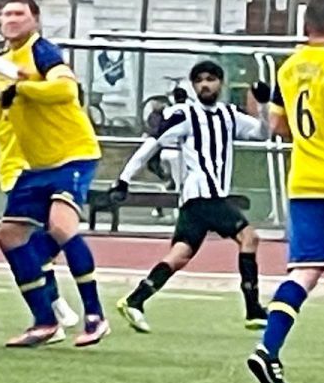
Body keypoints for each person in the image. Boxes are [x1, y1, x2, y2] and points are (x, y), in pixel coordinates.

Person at [0, 0, 107, 348]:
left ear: (35, 21)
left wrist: (24, 88)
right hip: (36, 165)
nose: (11, 19)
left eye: (19, 14)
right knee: (9, 236)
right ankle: (44, 321)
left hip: (73, 155)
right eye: (6, 14)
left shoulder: (43, 52)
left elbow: (66, 90)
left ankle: (95, 316)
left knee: (60, 226)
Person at [247, 0, 324, 383]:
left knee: (303, 273)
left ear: (305, 27)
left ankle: (268, 349)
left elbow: (279, 126)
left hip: (303, 184)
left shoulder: (289, 67)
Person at [111, 60, 268, 333]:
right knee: (249, 238)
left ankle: (135, 300)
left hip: (200, 200)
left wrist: (263, 105)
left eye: (211, 79)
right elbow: (153, 143)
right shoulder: (185, 114)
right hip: (203, 195)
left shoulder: (229, 114)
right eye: (199, 80)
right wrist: (124, 179)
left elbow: (262, 133)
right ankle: (253, 309)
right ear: (193, 86)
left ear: (220, 83)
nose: (205, 85)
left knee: (180, 254)